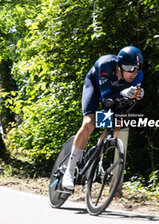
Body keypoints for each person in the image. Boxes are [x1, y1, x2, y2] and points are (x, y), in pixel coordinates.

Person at [62, 46, 145, 190]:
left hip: (117, 94)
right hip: (95, 87)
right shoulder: (105, 64)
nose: (133, 73)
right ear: (119, 65)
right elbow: (106, 100)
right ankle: (69, 171)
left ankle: (96, 159)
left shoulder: (138, 76)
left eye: (136, 68)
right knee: (90, 123)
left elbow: (127, 103)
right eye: (129, 68)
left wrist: (135, 96)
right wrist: (125, 93)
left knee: (116, 126)